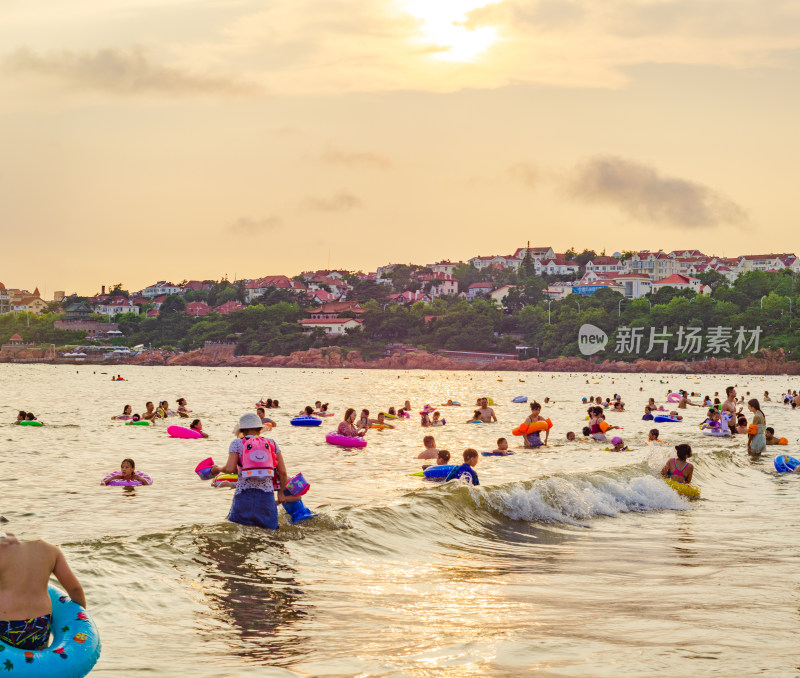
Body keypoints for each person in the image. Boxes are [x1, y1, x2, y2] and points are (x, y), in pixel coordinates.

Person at [0, 533, 86, 651]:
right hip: (40, 623)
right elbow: (75, 588)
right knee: (38, 664)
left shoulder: (2, 550)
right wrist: (79, 620)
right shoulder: (51, 550)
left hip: (5, 623)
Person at [209, 413, 288, 530]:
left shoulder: (237, 443)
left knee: (238, 531)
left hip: (243, 495)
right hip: (266, 497)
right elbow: (283, 472)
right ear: (260, 428)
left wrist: (217, 469)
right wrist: (280, 493)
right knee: (271, 536)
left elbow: (230, 469)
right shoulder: (272, 444)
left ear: (242, 430)